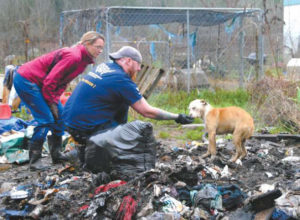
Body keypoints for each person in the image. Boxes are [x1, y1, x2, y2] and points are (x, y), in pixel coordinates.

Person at [63, 46, 193, 164]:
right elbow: (147, 111)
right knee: (133, 138)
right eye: (138, 64)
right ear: (128, 61)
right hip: (85, 128)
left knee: (122, 104)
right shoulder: (121, 79)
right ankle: (97, 158)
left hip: (70, 123)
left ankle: (85, 152)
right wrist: (177, 117)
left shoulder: (105, 67)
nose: (139, 69)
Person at [13, 31, 105, 171]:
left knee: (60, 119)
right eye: (97, 47)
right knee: (46, 120)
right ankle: (35, 161)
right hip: (27, 80)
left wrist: (54, 100)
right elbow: (50, 81)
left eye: (101, 48)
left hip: (41, 83)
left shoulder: (83, 61)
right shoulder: (74, 57)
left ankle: (56, 155)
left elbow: (62, 82)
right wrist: (50, 103)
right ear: (87, 44)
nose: (100, 50)